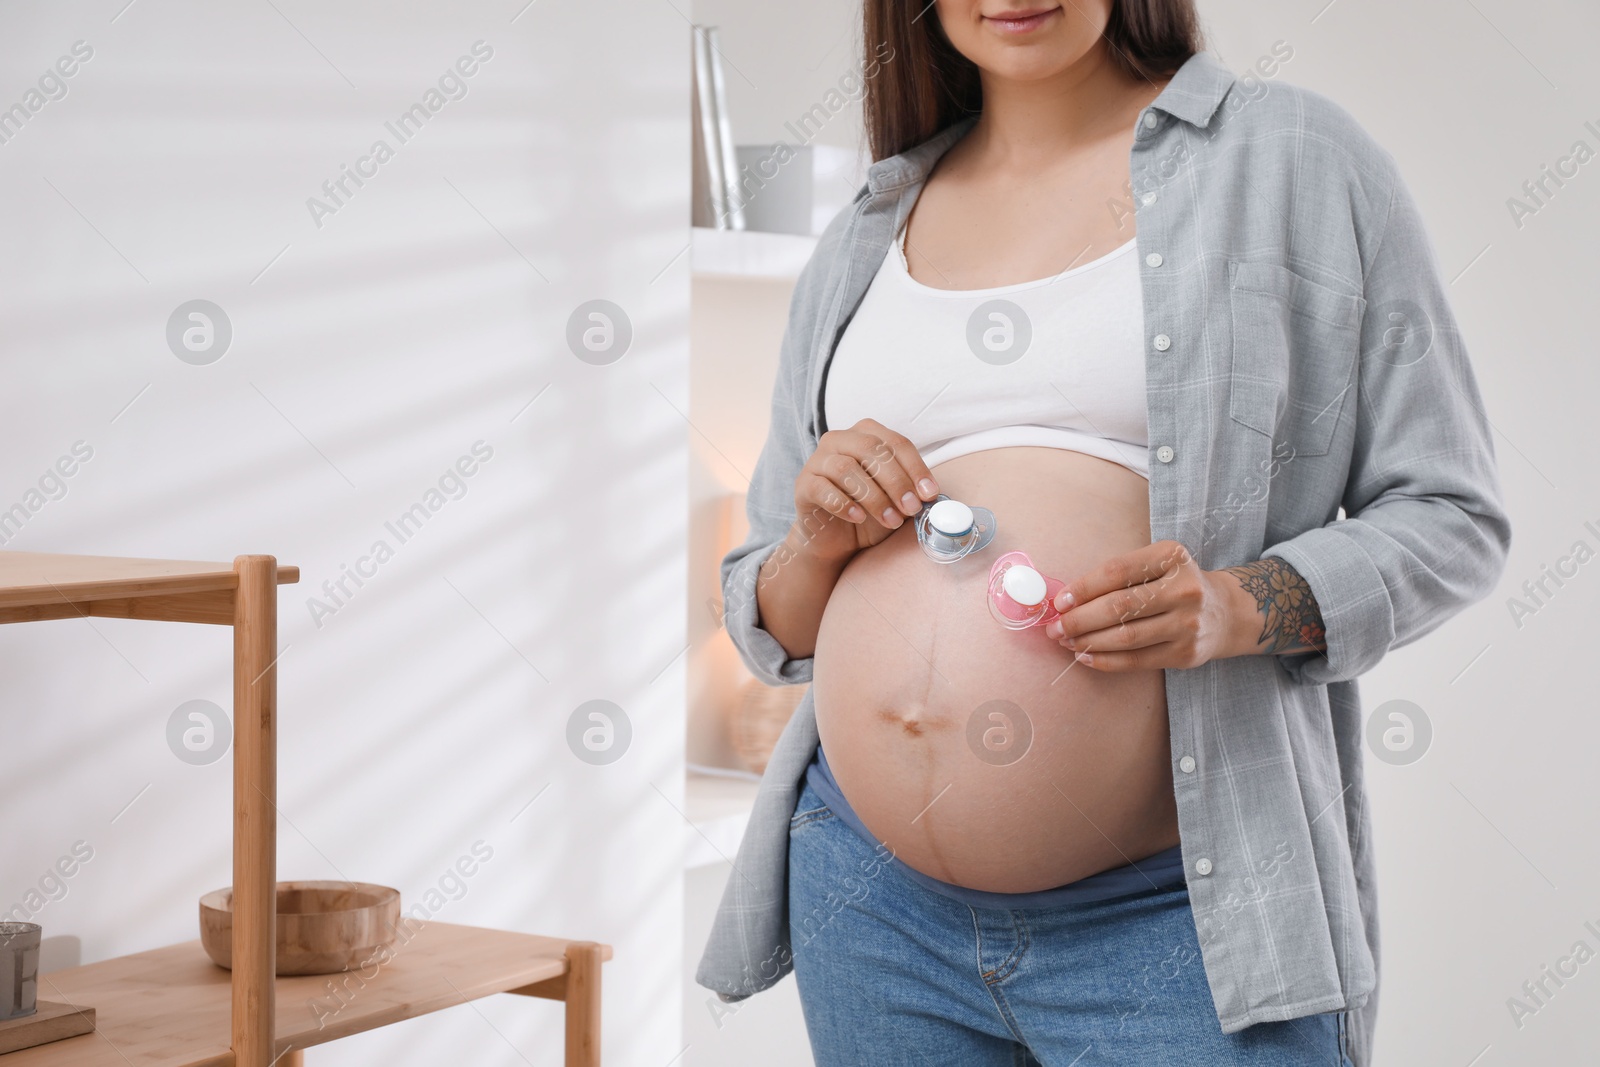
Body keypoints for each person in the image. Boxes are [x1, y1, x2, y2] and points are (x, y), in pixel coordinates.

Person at [696, 2, 1511, 1064]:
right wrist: (815, 536)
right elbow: (770, 611)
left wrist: (1234, 605)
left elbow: (1451, 513)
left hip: (1178, 914)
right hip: (871, 901)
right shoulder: (868, 222)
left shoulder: (1292, 161)